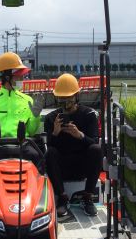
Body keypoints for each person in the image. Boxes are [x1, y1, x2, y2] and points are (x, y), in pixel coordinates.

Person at [44, 73, 103, 217]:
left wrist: (80, 135)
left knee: (96, 149)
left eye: (68, 98)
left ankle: (87, 197)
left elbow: (95, 141)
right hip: (62, 166)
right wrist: (55, 133)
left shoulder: (89, 114)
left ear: (77, 96)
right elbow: (48, 147)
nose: (65, 103)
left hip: (83, 164)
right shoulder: (51, 118)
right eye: (61, 99)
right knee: (50, 152)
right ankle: (62, 198)